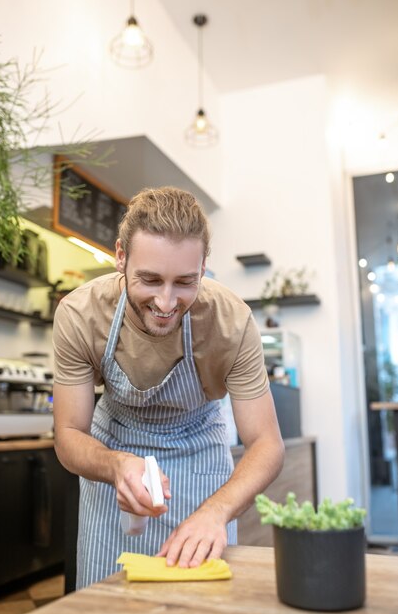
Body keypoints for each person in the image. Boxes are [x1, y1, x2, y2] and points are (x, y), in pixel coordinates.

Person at [53, 186, 284, 589]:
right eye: (150, 279)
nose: (165, 302)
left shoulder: (232, 322)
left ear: (203, 266)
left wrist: (216, 512)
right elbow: (68, 433)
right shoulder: (80, 314)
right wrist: (116, 465)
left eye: (184, 282)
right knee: (106, 609)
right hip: (113, 460)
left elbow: (267, 443)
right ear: (121, 256)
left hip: (201, 462)